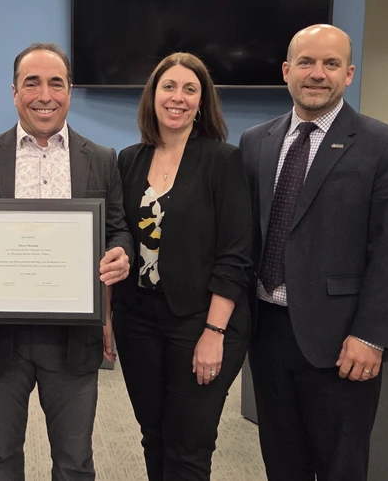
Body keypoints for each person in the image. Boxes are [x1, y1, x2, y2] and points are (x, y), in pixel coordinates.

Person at [238, 24, 388, 481]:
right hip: (267, 334)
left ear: (349, 73)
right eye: (306, 62)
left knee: (340, 467)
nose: (317, 73)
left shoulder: (386, 146)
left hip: (342, 341)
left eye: (330, 64)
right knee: (281, 462)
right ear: (286, 71)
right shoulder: (254, 142)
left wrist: (371, 334)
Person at [0, 42, 133, 481]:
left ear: (69, 91)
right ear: (14, 92)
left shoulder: (101, 159)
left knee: (74, 461)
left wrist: (122, 253)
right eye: (32, 83)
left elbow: (118, 229)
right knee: (0, 456)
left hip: (73, 340)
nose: (44, 94)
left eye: (56, 83)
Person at [114, 53, 252, 480]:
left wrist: (214, 334)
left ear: (202, 100)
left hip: (200, 320)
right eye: (168, 87)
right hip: (136, 318)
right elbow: (116, 241)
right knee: (153, 435)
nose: (178, 97)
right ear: (153, 97)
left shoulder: (222, 160)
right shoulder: (129, 159)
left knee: (189, 444)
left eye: (189, 89)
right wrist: (104, 316)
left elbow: (236, 253)